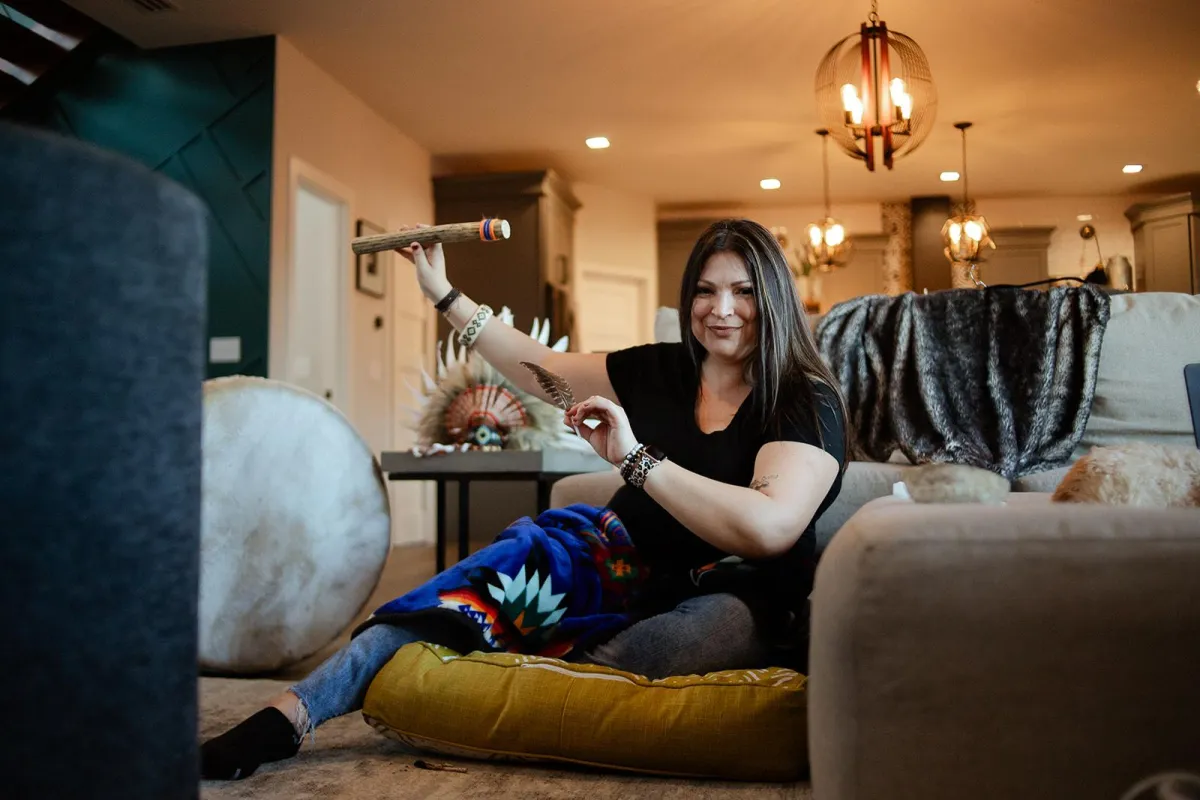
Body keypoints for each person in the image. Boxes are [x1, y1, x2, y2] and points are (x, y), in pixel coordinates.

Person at [200, 218, 848, 781]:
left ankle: (471, 679)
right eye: (705, 290)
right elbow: (538, 366)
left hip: (736, 589)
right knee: (465, 589)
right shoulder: (661, 369)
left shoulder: (802, 399)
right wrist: (445, 296)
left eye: (742, 291)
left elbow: (767, 530)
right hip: (616, 554)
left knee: (669, 651)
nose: (721, 309)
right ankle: (291, 713)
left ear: (773, 298)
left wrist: (633, 458)